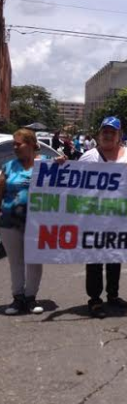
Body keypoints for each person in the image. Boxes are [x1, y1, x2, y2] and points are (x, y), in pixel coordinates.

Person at [79, 116, 127, 318]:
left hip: (119, 218)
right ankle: (95, 299)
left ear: (119, 135)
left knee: (115, 258)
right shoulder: (88, 157)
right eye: (105, 131)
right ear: (99, 134)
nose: (108, 135)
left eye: (112, 132)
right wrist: (60, 165)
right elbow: (73, 185)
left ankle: (112, 295)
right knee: (95, 260)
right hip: (94, 218)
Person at [0, 129, 47, 315]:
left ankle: (31, 298)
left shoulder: (45, 164)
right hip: (9, 221)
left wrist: (62, 164)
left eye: (19, 143)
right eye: (14, 143)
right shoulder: (8, 165)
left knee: (34, 260)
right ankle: (17, 298)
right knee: (16, 262)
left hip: (37, 222)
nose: (15, 147)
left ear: (32, 145)